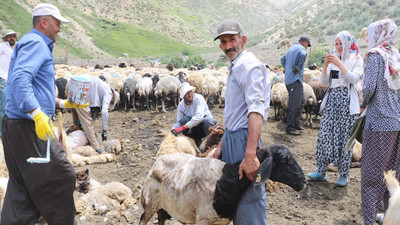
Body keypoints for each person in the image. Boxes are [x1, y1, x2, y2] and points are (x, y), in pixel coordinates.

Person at [1, 3, 87, 224]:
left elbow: (34, 89)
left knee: (22, 187)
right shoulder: (36, 43)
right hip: (29, 127)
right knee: (62, 176)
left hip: (17, 126)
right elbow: (20, 81)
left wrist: (63, 102)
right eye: (57, 23)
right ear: (44, 22)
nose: (59, 29)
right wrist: (38, 114)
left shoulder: (32, 43)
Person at [211, 19, 270, 225]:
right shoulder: (237, 66)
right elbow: (235, 114)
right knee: (235, 198)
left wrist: (250, 154)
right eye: (224, 42)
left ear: (243, 39)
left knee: (250, 200)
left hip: (245, 141)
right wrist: (222, 144)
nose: (228, 46)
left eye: (232, 40)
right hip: (233, 139)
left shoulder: (247, 65)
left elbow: (256, 109)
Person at [307, 31, 363, 187]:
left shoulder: (356, 59)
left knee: (345, 139)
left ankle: (344, 174)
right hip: (332, 101)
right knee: (324, 134)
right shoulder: (333, 60)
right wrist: (325, 66)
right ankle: (321, 170)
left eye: (341, 44)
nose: (338, 47)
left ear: (348, 43)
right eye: (336, 44)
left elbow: (354, 78)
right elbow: (324, 83)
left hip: (347, 102)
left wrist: (340, 64)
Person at [359, 19, 400, 225]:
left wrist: (362, 103)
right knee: (390, 175)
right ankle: (389, 218)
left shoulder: (376, 55)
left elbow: (368, 88)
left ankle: (368, 220)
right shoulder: (396, 56)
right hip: (396, 124)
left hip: (378, 123)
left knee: (371, 176)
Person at [280, 36, 310, 135]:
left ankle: (296, 123)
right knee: (294, 104)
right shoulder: (301, 49)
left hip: (292, 80)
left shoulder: (291, 49)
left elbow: (282, 59)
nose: (307, 47)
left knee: (301, 101)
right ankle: (290, 127)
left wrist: (287, 69)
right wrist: (298, 67)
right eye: (307, 45)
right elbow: (303, 54)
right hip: (295, 80)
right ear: (304, 42)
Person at [171, 82, 216, 147]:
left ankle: (209, 141)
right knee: (183, 120)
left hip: (205, 125)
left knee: (207, 120)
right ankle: (194, 140)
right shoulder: (181, 106)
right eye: (187, 93)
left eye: (190, 92)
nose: (190, 95)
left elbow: (199, 117)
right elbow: (179, 121)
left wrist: (183, 127)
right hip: (194, 127)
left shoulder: (198, 98)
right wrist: (174, 128)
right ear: (183, 96)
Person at [85, 75, 119, 141]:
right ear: (113, 97)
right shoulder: (108, 93)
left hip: (84, 85)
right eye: (112, 102)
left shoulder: (104, 88)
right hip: (86, 85)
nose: (110, 103)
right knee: (85, 120)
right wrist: (105, 131)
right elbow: (104, 112)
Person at [0, 30, 17, 138]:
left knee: (6, 105)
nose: (12, 38)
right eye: (9, 36)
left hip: (8, 80)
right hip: (2, 79)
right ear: (6, 38)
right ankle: (2, 133)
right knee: (3, 107)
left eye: (14, 36)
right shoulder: (2, 46)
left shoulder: (12, 50)